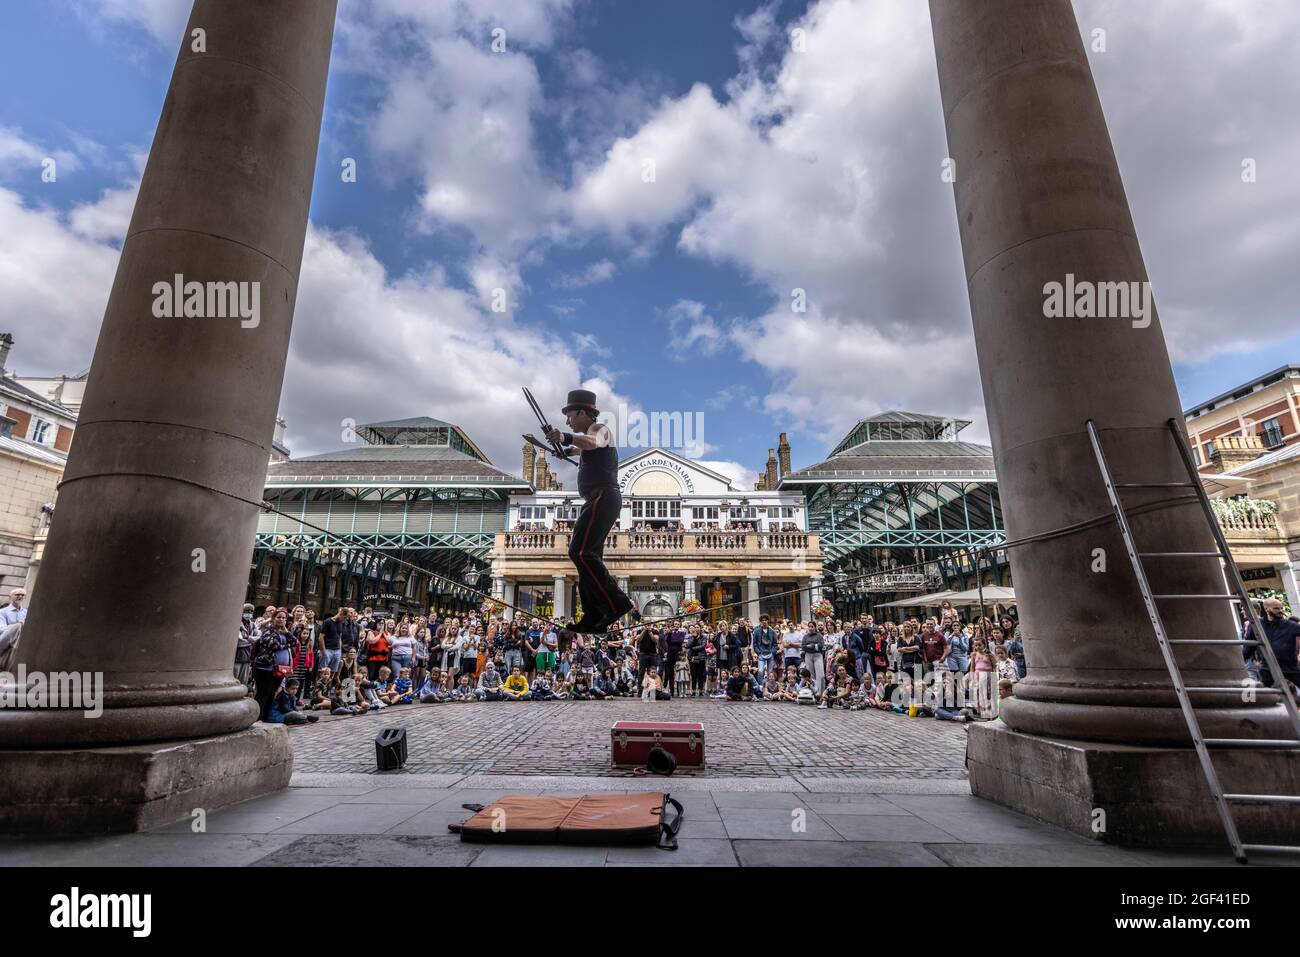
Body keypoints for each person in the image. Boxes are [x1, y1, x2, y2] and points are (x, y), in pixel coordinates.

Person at [541, 389, 635, 633]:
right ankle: (594, 616)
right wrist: (567, 450)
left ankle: (616, 602)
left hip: (602, 497)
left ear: (583, 412)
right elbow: (585, 449)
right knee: (586, 559)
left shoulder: (600, 430)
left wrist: (565, 437)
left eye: (570, 414)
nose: (567, 419)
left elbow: (592, 442)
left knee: (580, 552)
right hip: (598, 499)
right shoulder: (589, 438)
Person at [1247, 597, 1300, 688]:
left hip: (1289, 668)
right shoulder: (1256, 625)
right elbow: (1249, 645)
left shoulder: (1290, 625)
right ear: (1266, 609)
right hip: (1267, 669)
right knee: (1272, 695)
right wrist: (1253, 659)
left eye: (1281, 608)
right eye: (1276, 608)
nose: (1280, 610)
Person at [752, 614, 779, 681]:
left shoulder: (772, 631)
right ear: (760, 621)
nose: (764, 621)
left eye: (765, 620)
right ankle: (760, 686)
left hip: (770, 653)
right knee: (760, 671)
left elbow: (775, 644)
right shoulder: (756, 631)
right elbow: (754, 643)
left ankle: (769, 685)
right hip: (761, 653)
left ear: (768, 621)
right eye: (762, 620)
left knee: (770, 672)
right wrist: (758, 652)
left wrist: (772, 652)